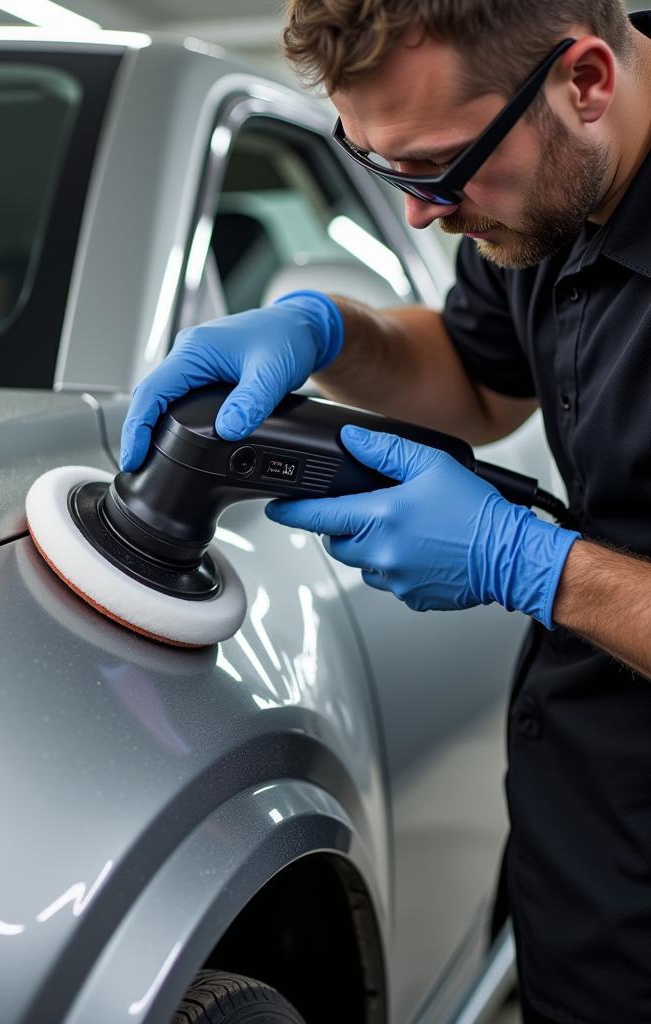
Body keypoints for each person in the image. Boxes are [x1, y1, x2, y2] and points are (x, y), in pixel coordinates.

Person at [120, 3, 651, 1021]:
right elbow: (478, 379)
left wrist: (536, 565)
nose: (418, 216)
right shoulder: (549, 176)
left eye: (439, 170)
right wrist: (328, 332)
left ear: (584, 81)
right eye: (385, 169)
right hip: (592, 867)